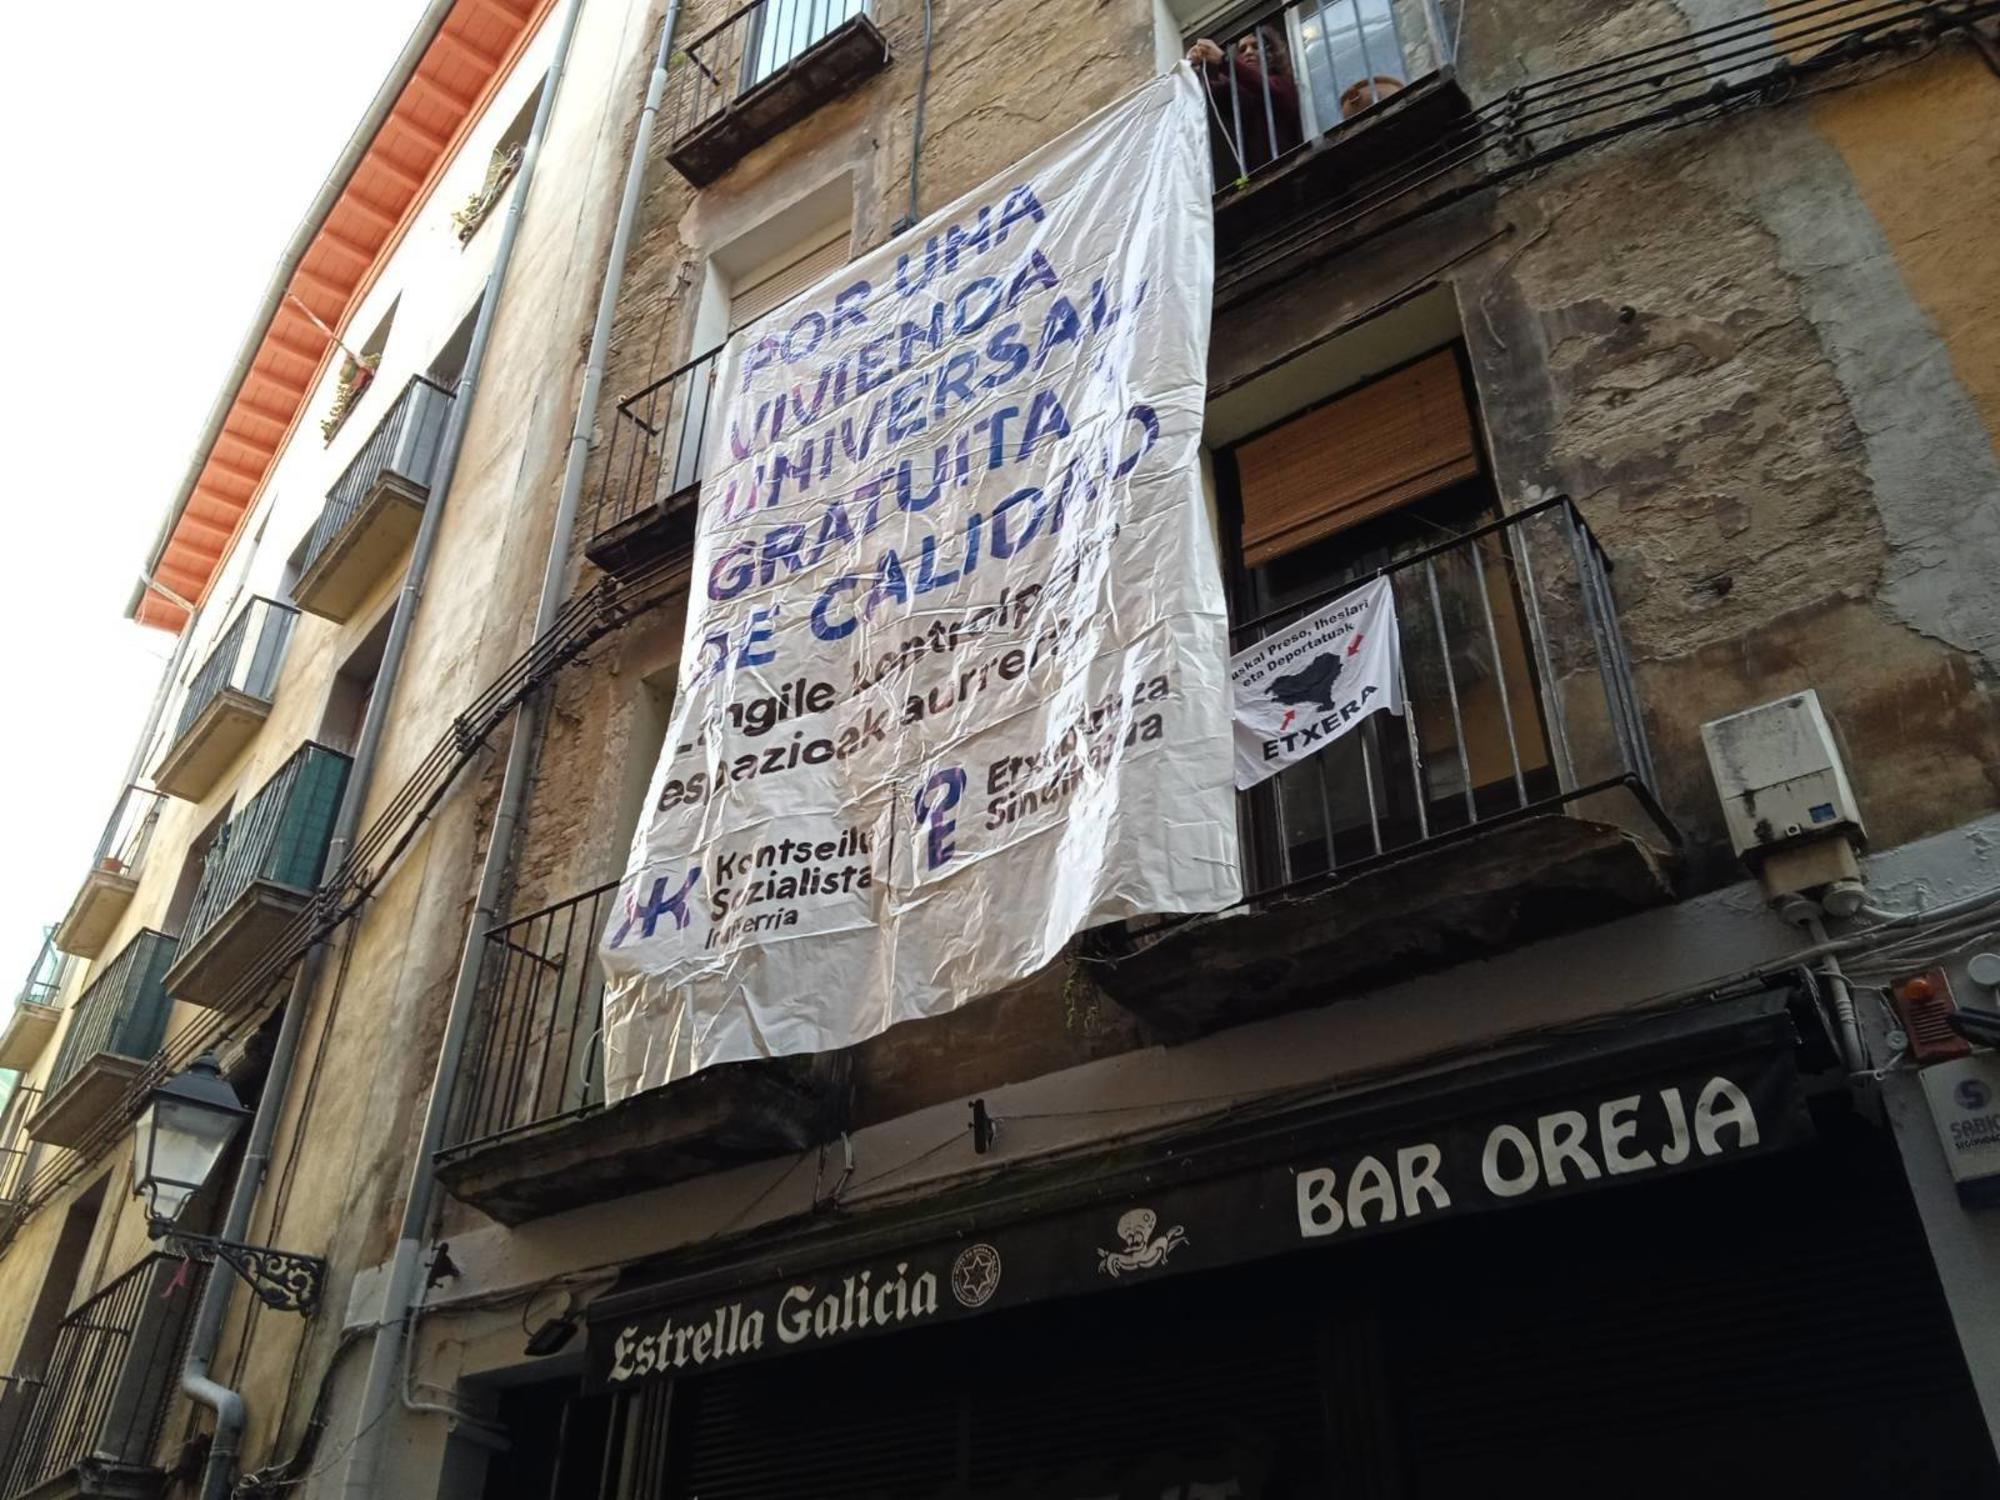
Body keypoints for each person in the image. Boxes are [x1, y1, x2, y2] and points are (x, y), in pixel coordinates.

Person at [1188, 27, 1303, 181]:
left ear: (1271, 54)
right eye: (1242, 50)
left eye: (1255, 46)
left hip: (1291, 174)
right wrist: (1194, 69)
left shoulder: (1284, 84)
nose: (1248, 52)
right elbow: (1213, 92)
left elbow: (1267, 88)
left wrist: (1225, 61)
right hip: (1258, 181)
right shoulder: (1239, 95)